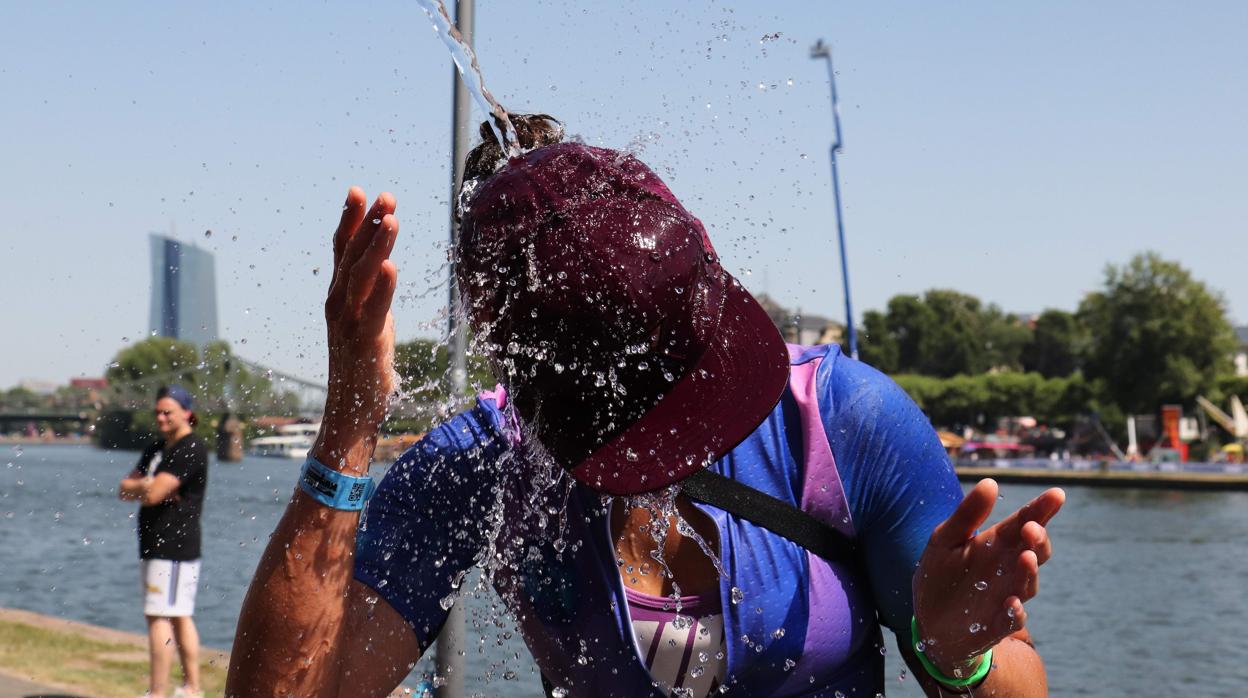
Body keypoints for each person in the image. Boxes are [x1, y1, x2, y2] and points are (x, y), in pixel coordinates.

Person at [227, 116, 1064, 697]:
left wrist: (961, 661)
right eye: (652, 408)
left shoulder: (844, 424)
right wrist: (349, 423)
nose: (692, 430)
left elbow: (1006, 682)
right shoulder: (478, 464)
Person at [119, 385, 208, 698]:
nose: (161, 417)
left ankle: (158, 693)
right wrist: (146, 485)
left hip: (174, 546)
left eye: (167, 411)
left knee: (160, 616)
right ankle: (191, 689)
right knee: (178, 614)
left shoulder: (190, 448)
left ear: (187, 412)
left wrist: (144, 487)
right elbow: (124, 488)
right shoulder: (157, 448)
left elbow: (153, 493)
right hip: (154, 544)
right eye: (157, 411)